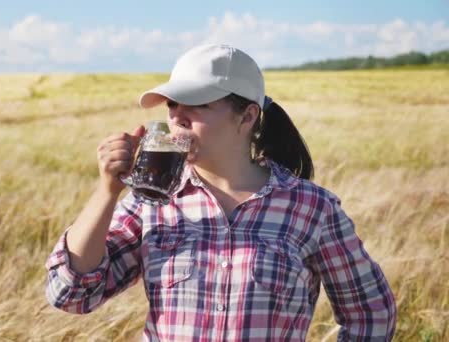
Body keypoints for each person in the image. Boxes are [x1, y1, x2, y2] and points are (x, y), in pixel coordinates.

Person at [45, 43, 396, 341]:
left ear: (246, 117)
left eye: (196, 105)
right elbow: (71, 293)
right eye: (171, 105)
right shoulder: (149, 202)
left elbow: (370, 314)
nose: (177, 118)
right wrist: (107, 190)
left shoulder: (310, 207)